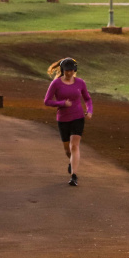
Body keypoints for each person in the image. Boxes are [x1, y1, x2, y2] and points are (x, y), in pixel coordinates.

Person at [44, 57, 93, 186]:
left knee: (74, 146)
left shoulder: (80, 83)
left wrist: (90, 110)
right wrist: (62, 103)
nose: (69, 73)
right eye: (67, 71)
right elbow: (47, 101)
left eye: (71, 70)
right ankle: (71, 162)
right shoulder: (56, 84)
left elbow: (87, 99)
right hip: (63, 119)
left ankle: (74, 176)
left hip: (78, 117)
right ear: (62, 70)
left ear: (75, 70)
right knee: (67, 149)